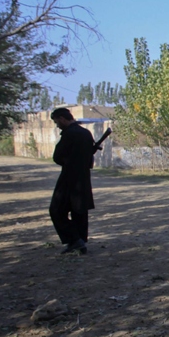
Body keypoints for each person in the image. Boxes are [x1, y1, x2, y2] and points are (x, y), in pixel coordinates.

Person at [49, 107, 95, 255]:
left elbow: (58, 157)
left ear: (62, 118)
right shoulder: (86, 133)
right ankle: (80, 242)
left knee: (56, 210)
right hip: (83, 177)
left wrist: (70, 162)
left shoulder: (69, 134)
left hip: (69, 177)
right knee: (79, 211)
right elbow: (90, 159)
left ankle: (75, 240)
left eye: (57, 122)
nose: (57, 125)